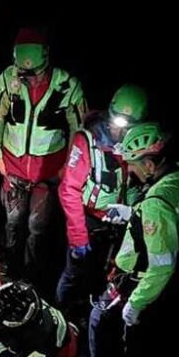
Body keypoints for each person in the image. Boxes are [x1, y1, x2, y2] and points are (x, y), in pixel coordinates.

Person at [88, 122, 179, 357]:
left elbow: (161, 265)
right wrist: (132, 213)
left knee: (101, 322)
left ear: (150, 164)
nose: (131, 171)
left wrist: (135, 303)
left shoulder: (155, 206)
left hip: (140, 279)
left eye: (133, 165)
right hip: (174, 272)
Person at [0, 28, 87, 282]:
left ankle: (31, 275)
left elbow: (78, 129)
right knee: (13, 221)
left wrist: (67, 167)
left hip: (48, 170)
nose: (30, 80)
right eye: (25, 75)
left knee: (37, 226)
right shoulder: (8, 78)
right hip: (12, 165)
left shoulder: (67, 85)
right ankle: (11, 270)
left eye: (36, 74)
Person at [55, 84, 148, 315]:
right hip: (88, 221)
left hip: (117, 223)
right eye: (117, 122)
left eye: (129, 126)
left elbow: (134, 185)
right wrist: (78, 237)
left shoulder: (139, 146)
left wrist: (131, 213)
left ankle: (89, 312)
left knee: (103, 274)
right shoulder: (88, 140)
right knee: (74, 272)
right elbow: (69, 189)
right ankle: (60, 312)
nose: (120, 130)